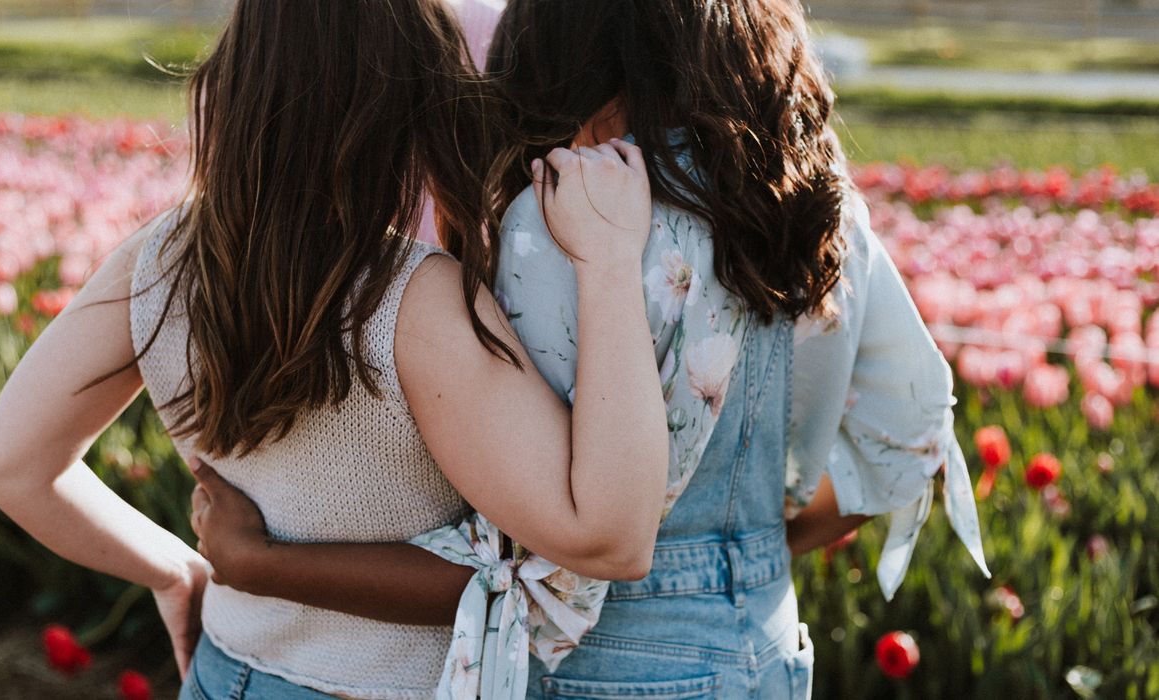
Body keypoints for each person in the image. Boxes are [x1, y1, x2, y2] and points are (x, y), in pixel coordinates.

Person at [190, 0, 989, 697]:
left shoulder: (555, 225)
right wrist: (729, 561)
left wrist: (262, 561)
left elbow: (522, 554)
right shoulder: (812, 204)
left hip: (599, 665)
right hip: (765, 645)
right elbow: (909, 435)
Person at [0, 1, 673, 698]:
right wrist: (608, 263)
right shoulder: (413, 298)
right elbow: (610, 539)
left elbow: (11, 466)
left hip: (222, 671)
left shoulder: (159, 258)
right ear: (413, 91)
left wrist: (173, 573)